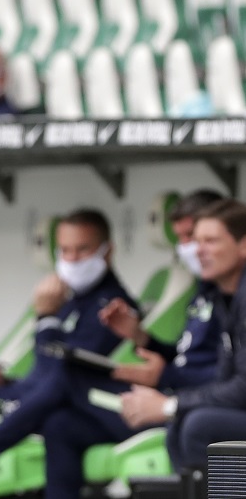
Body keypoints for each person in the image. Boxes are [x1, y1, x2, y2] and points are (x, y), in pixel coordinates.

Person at [35, 189, 223, 499]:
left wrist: (166, 395)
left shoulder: (232, 294)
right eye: (186, 239)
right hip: (180, 396)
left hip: (188, 405)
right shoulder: (206, 290)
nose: (193, 249)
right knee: (60, 423)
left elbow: (229, 377)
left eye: (202, 239)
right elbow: (188, 359)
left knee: (66, 378)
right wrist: (141, 338)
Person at [0, 208, 138, 486]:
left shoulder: (112, 309)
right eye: (65, 250)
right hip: (19, 397)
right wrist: (4, 379)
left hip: (32, 412)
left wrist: (46, 318)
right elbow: (47, 374)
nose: (71, 260)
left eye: (82, 250)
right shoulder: (69, 300)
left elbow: (64, 376)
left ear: (107, 252)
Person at [120, 198, 246, 473]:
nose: (198, 251)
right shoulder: (223, 294)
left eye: (210, 241)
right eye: (196, 241)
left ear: (243, 245)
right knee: (182, 424)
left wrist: (170, 404)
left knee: (198, 425)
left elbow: (243, 387)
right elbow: (225, 379)